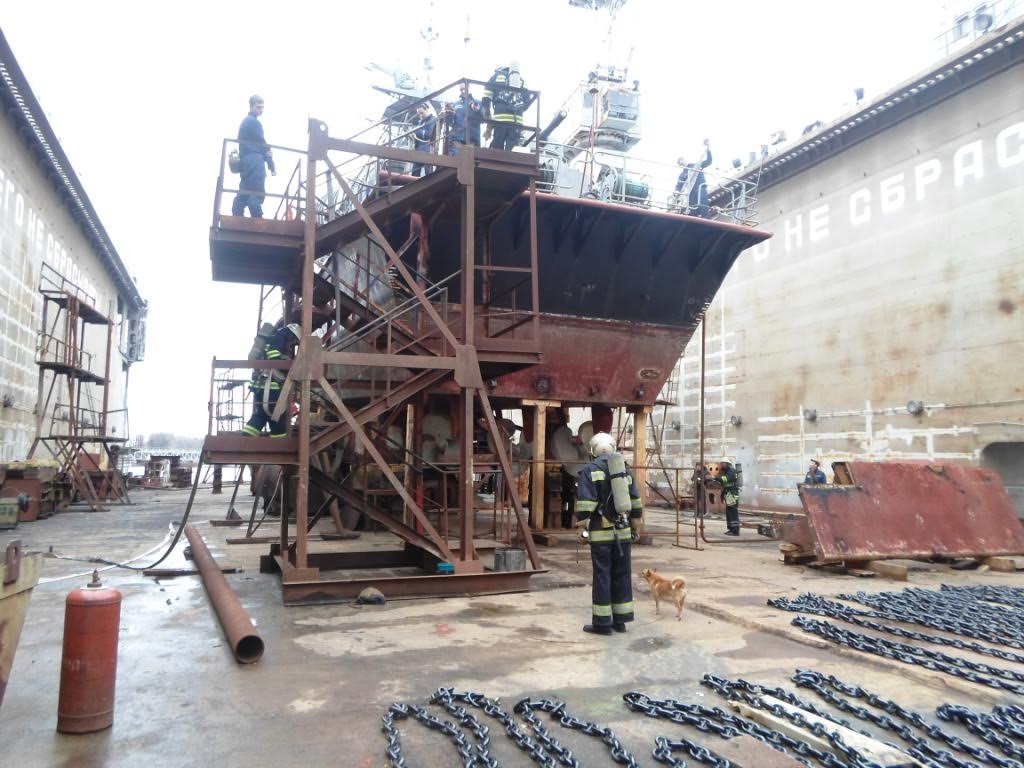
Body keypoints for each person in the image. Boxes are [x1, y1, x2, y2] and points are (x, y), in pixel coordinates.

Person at [575, 432, 643, 636]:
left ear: (593, 450)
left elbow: (586, 503)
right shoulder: (624, 469)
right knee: (622, 575)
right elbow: (635, 500)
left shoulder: (590, 470)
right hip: (623, 532)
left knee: (602, 576)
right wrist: (635, 525)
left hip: (601, 533)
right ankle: (620, 621)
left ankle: (602, 624)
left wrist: (581, 527)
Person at [242, 323, 300, 438]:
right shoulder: (280, 336)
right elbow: (273, 355)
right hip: (271, 387)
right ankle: (279, 443)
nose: (293, 343)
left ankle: (246, 439)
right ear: (292, 334)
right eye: (294, 340)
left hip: (261, 386)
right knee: (277, 415)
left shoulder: (274, 336)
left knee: (261, 415)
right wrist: (290, 368)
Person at [232, 95, 276, 218]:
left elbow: (256, 143)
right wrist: (270, 159)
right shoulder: (253, 122)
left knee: (244, 190)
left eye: (262, 108)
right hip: (255, 161)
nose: (261, 110)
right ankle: (258, 219)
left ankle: (237, 216)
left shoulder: (246, 121)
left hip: (245, 162)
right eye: (258, 107)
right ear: (251, 106)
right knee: (256, 192)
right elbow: (261, 143)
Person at [482, 62, 527, 152]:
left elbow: (486, 97)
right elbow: (527, 100)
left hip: (501, 118)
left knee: (497, 148)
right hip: (517, 120)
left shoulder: (495, 77)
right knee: (512, 150)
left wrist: (487, 115)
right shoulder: (521, 79)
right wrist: (519, 110)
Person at [674, 139, 712, 218]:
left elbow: (708, 161)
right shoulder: (682, 175)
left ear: (685, 160)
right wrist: (676, 191)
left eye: (682, 161)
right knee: (692, 209)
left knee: (703, 204)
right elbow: (679, 185)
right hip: (691, 193)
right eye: (680, 163)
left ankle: (705, 219)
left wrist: (708, 150)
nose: (681, 163)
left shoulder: (696, 165)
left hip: (700, 188)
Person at [446, 83, 481, 155]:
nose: (463, 91)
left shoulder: (478, 102)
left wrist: (477, 110)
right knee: (455, 159)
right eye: (461, 90)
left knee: (470, 159)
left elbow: (483, 118)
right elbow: (451, 123)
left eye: (465, 89)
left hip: (472, 139)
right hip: (456, 138)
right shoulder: (455, 104)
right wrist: (450, 114)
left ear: (469, 87)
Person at [410, 104, 436, 177]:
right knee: (415, 172)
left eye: (422, 113)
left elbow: (429, 134)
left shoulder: (433, 120)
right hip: (419, 149)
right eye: (419, 114)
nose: (421, 115)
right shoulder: (420, 122)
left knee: (428, 172)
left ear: (426, 110)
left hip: (428, 149)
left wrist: (416, 132)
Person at [718, 459, 741, 536]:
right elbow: (725, 483)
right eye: (721, 463)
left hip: (732, 494)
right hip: (729, 493)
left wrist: (715, 477)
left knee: (732, 511)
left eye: (723, 463)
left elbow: (726, 479)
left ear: (727, 463)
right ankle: (731, 529)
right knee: (729, 511)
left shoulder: (732, 471)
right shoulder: (727, 471)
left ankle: (735, 531)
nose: (722, 465)